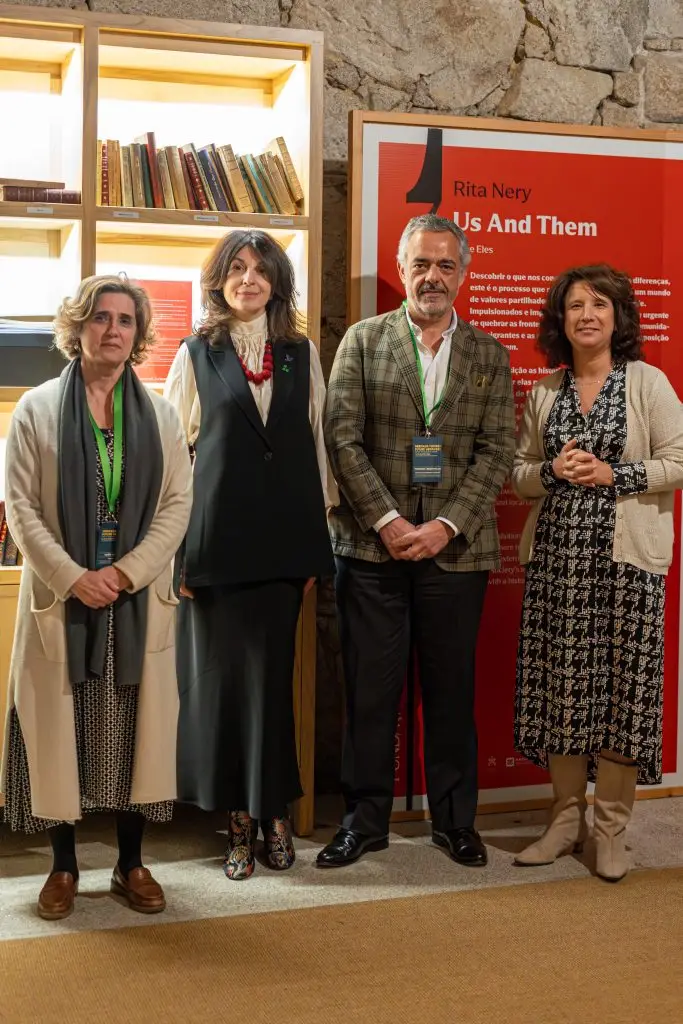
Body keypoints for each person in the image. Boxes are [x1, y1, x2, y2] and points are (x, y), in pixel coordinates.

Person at [318, 213, 515, 869]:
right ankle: (363, 821)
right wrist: (390, 521)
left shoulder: (489, 354)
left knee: (450, 692)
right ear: (402, 269)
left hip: (456, 554)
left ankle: (455, 822)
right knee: (368, 693)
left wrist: (442, 525)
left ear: (463, 272)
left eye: (445, 264)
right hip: (371, 551)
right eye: (421, 264)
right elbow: (341, 439)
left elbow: (495, 454)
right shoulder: (363, 340)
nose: (432, 276)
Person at [1, 275, 193, 920]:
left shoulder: (163, 415)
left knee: (132, 731)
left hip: (134, 604)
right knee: (65, 733)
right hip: (65, 599)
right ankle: (62, 868)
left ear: (139, 334)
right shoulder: (35, 409)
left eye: (126, 320)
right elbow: (22, 507)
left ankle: (130, 864)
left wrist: (128, 572)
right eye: (101, 318)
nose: (113, 330)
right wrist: (73, 575)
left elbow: (176, 505)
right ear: (77, 326)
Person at [164, 229, 335, 880]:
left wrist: (317, 543)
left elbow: (315, 446)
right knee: (221, 691)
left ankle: (276, 814)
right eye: (236, 268)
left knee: (272, 689)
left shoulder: (299, 352)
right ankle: (236, 820)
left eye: (260, 269)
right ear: (219, 281)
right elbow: (174, 458)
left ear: (276, 282)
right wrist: (178, 549)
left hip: (284, 549)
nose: (247, 279)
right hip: (214, 548)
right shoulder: (195, 354)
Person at [512, 263, 683, 882]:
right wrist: (552, 471)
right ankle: (564, 822)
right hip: (557, 566)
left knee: (621, 695)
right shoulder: (544, 391)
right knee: (562, 690)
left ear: (618, 318)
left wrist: (618, 475)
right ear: (561, 319)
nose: (587, 315)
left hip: (628, 567)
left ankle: (610, 829)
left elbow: (680, 456)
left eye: (600, 305)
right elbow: (520, 473)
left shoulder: (647, 382)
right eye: (575, 305)